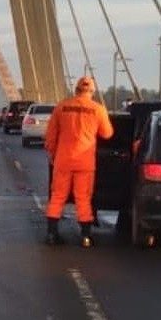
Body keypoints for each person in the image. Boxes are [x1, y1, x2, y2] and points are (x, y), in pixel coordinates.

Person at [44, 76, 114, 248]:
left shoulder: (61, 107)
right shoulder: (97, 109)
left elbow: (51, 135)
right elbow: (107, 134)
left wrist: (52, 154)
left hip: (63, 159)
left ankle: (52, 234)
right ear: (92, 91)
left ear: (76, 90)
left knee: (58, 196)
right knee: (83, 198)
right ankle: (86, 236)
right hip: (85, 161)